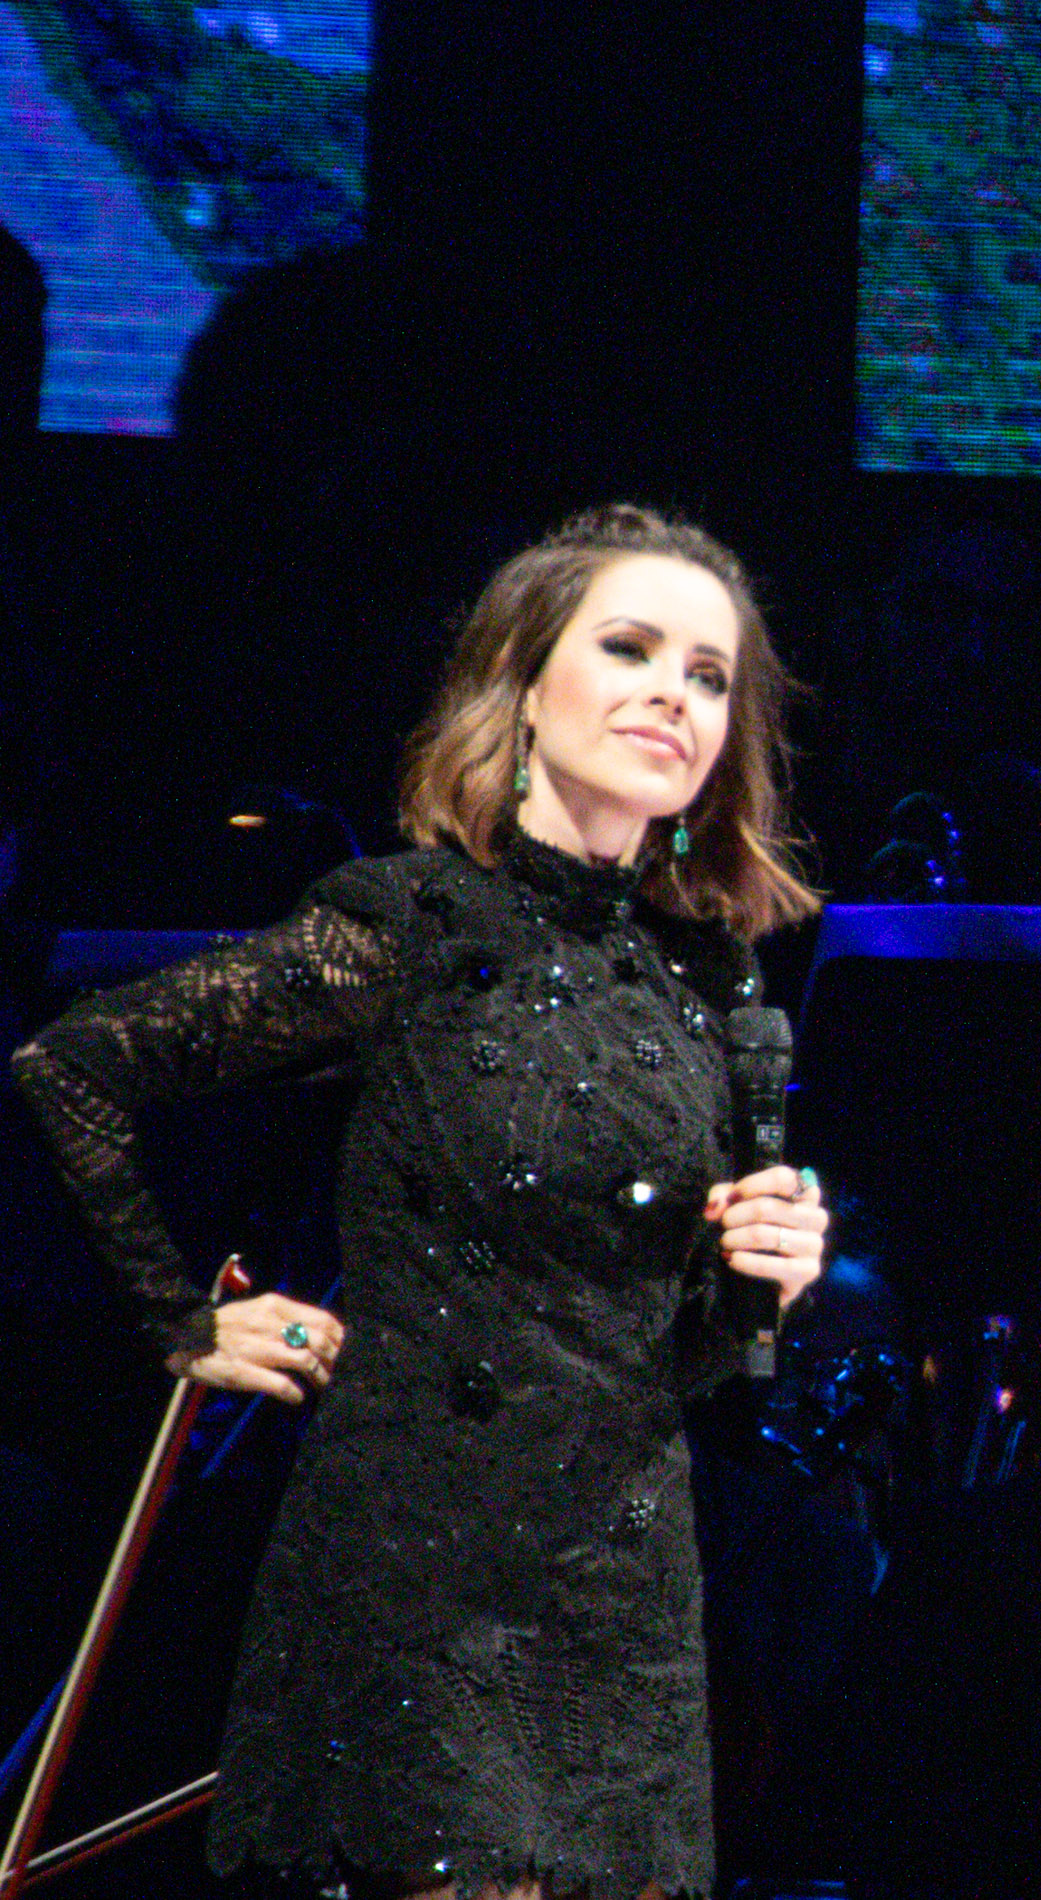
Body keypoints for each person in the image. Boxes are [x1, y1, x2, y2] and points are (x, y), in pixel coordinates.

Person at [12, 503, 828, 1900]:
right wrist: (180, 1320)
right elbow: (75, 1068)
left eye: (708, 675)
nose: (672, 695)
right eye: (629, 648)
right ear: (521, 685)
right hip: (426, 1558)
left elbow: (686, 1355)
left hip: (626, 1575)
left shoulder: (714, 983)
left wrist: (767, 1269)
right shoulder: (407, 927)